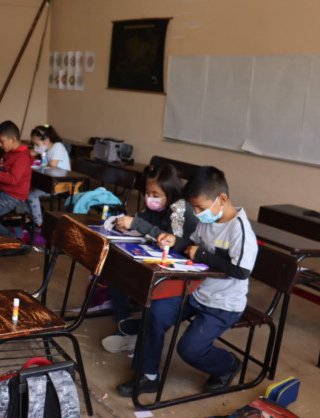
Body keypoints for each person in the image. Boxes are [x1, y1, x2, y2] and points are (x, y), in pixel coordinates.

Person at [116, 166, 258, 397]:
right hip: (196, 293)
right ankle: (147, 376)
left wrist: (201, 254)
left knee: (189, 349)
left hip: (223, 304)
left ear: (222, 199)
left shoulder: (239, 231)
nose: (198, 212)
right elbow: (189, 245)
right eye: (195, 207)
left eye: (200, 207)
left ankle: (227, 364)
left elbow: (241, 271)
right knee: (155, 313)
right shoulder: (207, 220)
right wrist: (174, 241)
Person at [100, 163, 197, 353]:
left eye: (155, 194)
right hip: (157, 259)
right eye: (147, 192)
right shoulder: (155, 207)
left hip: (180, 265)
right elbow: (142, 218)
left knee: (135, 274)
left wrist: (137, 224)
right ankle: (124, 321)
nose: (149, 198)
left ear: (170, 192)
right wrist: (127, 224)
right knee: (115, 266)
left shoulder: (179, 208)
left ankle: (139, 332)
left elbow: (171, 241)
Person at [25, 124, 70, 242]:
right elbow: (31, 155)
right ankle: (31, 218)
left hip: (61, 184)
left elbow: (53, 166)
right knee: (24, 190)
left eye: (37, 144)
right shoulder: (47, 147)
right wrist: (36, 150)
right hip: (50, 181)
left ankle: (39, 224)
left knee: (31, 194)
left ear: (46, 140)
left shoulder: (57, 147)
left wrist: (39, 158)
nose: (35, 146)